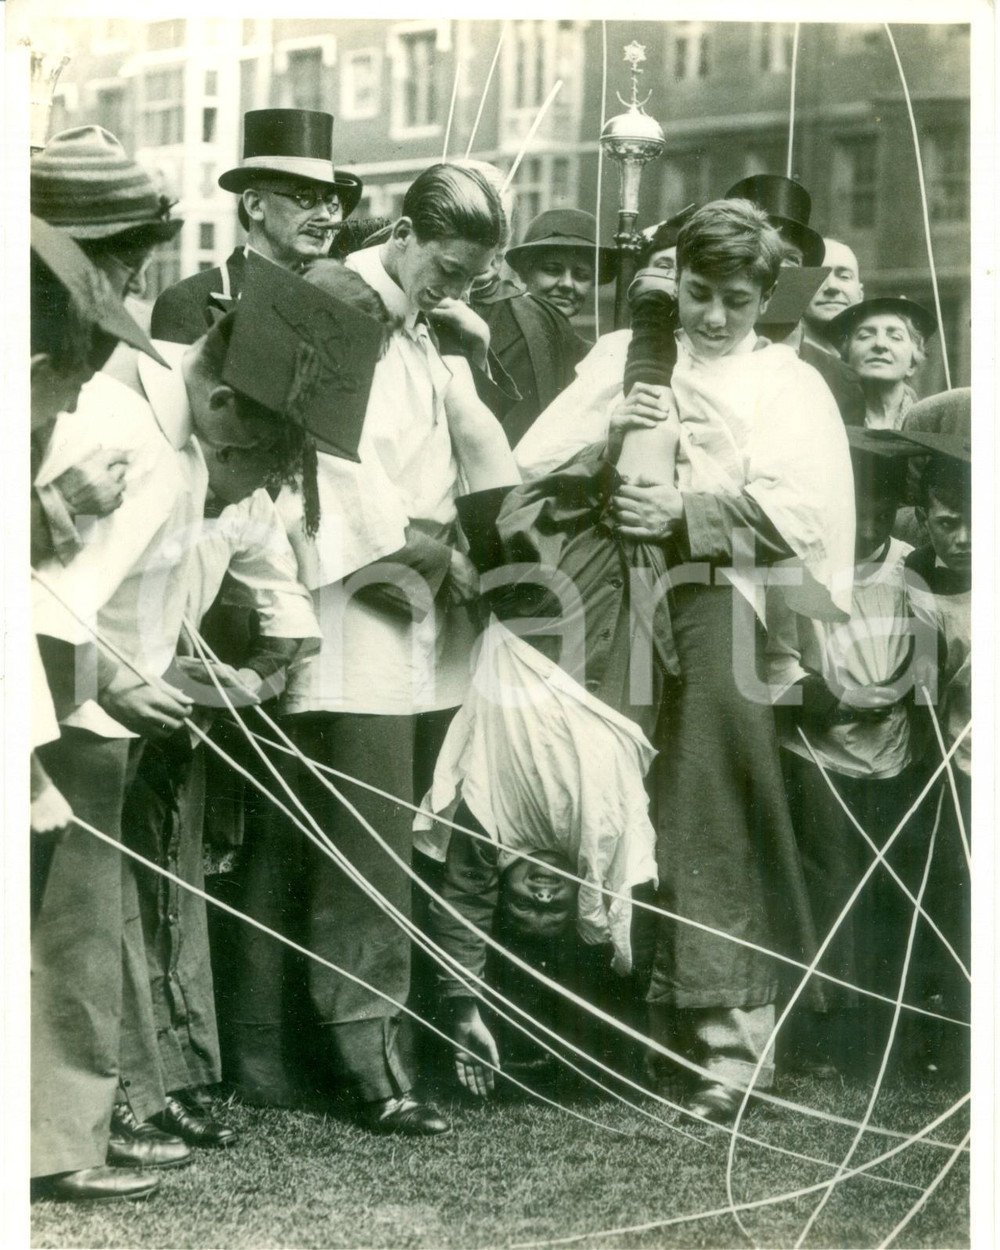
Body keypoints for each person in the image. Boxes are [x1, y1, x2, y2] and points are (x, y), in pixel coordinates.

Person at [31, 260, 344, 1200]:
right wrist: (117, 689)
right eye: (261, 449)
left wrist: (152, 671)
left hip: (92, 700)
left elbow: (137, 603)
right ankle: (56, 1146)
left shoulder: (185, 436)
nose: (250, 476)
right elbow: (55, 598)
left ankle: (77, 1122)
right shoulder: (143, 447)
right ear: (222, 401)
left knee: (94, 927)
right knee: (72, 930)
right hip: (61, 708)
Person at [225, 166, 506, 1134]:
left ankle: (280, 1052)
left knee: (345, 831)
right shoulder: (345, 305)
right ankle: (367, 1060)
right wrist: (428, 553)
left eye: (472, 276)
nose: (456, 287)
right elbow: (329, 467)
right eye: (448, 266)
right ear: (407, 231)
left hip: (400, 593)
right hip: (358, 595)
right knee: (362, 844)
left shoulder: (423, 328)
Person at [607, 199, 855, 1123]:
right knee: (625, 790)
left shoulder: (786, 382)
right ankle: (642, 1025)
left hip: (731, 603)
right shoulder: (637, 361)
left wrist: (680, 510)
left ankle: (734, 1048)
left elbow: (800, 516)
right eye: (699, 295)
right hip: (623, 597)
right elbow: (557, 462)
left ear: (766, 297)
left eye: (736, 300)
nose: (714, 318)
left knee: (707, 803)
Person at [767, 429, 926, 1077]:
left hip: (893, 759)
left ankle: (890, 1039)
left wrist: (905, 689)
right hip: (819, 758)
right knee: (828, 897)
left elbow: (938, 652)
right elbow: (772, 664)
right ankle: (821, 1035)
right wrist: (836, 700)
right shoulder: (799, 565)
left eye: (881, 514)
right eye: (855, 510)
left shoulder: (913, 567)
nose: (866, 527)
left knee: (891, 896)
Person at [150, 109, 363, 343]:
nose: (324, 214)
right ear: (255, 205)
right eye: (305, 197)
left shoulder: (338, 306)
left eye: (330, 203)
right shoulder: (188, 303)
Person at [902, 429, 971, 1078]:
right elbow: (923, 686)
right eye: (949, 524)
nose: (965, 538)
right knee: (956, 900)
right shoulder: (919, 582)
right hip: (962, 772)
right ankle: (954, 1043)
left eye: (977, 521)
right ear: (925, 519)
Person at [830, 296, 937, 430]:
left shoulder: (931, 425)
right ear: (846, 357)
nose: (880, 344)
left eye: (895, 337)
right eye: (865, 336)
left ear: (912, 363)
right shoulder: (827, 419)